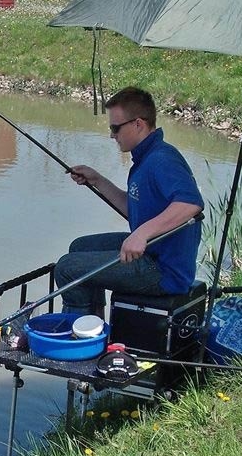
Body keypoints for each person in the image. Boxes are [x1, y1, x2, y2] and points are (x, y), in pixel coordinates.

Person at [55, 87, 204, 316]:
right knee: (79, 247)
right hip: (151, 252)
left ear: (138, 124)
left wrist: (141, 234)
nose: (112, 135)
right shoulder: (146, 158)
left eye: (115, 128)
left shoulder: (162, 160)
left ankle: (80, 341)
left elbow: (190, 204)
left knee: (68, 268)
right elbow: (133, 208)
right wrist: (97, 180)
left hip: (163, 270)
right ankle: (93, 325)